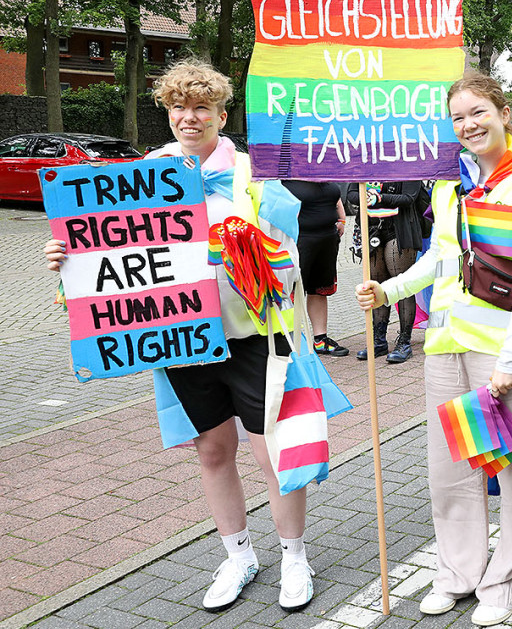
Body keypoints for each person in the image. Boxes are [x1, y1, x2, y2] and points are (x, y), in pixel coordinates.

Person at [45, 59, 316, 612]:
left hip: (253, 335)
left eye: (200, 108)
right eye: (178, 107)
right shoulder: (146, 171)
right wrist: (67, 258)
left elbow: (290, 263)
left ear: (221, 115)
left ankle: (294, 556)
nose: (188, 118)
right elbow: (108, 247)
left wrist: (244, 251)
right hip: (182, 336)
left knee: (272, 453)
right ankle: (238, 555)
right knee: (212, 450)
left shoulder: (254, 175)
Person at [355, 72, 512, 627]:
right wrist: (389, 290)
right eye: (458, 117)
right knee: (450, 471)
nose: (469, 125)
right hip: (446, 348)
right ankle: (458, 572)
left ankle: (509, 582)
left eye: (478, 113)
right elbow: (440, 258)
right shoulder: (453, 185)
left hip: (506, 359)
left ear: (503, 114)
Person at [347, 181, 427, 363]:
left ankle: (404, 342)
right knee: (376, 284)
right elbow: (351, 194)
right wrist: (367, 197)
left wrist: (379, 198)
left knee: (403, 283)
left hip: (399, 228)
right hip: (371, 228)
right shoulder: (364, 166)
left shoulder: (407, 166)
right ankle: (379, 341)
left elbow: (409, 197)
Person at [281, 180, 350, 356]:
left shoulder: (323, 172)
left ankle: (320, 340)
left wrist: (341, 218)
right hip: (300, 241)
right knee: (294, 292)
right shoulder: (286, 178)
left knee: (319, 290)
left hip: (327, 240)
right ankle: (291, 341)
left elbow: (335, 197)